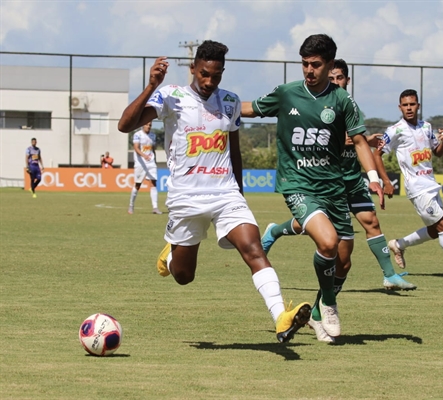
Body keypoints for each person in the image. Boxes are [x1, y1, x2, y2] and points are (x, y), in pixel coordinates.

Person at [118, 40, 311, 343]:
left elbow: (235, 153)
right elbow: (124, 125)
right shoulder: (171, 97)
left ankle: (281, 317)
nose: (209, 82)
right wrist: (150, 86)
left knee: (253, 248)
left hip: (225, 195)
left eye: (216, 75)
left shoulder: (230, 102)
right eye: (204, 74)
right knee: (184, 276)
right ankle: (170, 258)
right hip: (186, 199)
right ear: (193, 68)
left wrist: (240, 195)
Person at [241, 35, 385, 343]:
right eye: (305, 63)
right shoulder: (287, 94)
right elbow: (251, 109)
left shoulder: (343, 102)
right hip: (298, 184)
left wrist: (372, 175)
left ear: (330, 65)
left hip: (334, 188)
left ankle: (318, 311)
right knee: (328, 242)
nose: (309, 70)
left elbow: (360, 141)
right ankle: (329, 303)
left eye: (316, 65)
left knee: (344, 260)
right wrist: (212, 103)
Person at [260, 59, 417, 296]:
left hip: (352, 178)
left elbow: (358, 142)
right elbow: (341, 139)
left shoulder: (348, 105)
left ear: (347, 80)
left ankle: (389, 275)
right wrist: (360, 140)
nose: (335, 82)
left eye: (339, 78)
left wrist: (375, 173)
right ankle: (274, 231)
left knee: (371, 221)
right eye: (331, 78)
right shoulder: (318, 107)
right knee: (317, 228)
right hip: (328, 181)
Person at [373, 89, 443, 281]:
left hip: (431, 184)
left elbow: (438, 152)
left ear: (418, 106)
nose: (409, 108)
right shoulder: (395, 130)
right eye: (405, 105)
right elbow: (377, 154)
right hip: (417, 188)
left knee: (435, 230)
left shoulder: (426, 127)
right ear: (400, 107)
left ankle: (399, 245)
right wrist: (385, 181)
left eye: (412, 104)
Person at [127, 121, 162, 215]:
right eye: (147, 124)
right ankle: (131, 205)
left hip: (151, 163)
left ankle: (155, 207)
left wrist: (155, 160)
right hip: (140, 163)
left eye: (150, 125)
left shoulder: (153, 136)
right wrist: (144, 156)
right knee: (138, 184)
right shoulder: (137, 135)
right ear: (143, 125)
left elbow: (153, 149)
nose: (149, 126)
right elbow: (136, 148)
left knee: (153, 183)